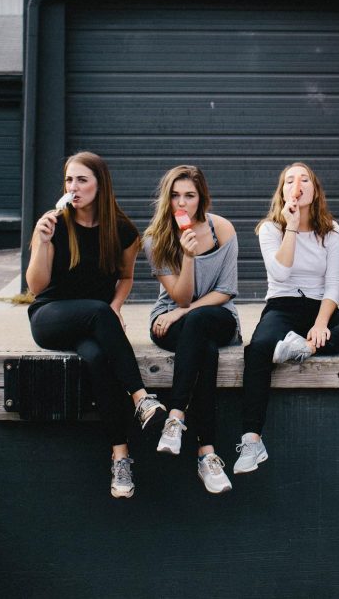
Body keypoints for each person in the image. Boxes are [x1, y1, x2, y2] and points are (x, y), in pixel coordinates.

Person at [233, 162, 339, 475]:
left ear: (314, 191)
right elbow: (280, 272)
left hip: (321, 310)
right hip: (282, 306)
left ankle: (305, 346)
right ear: (282, 192)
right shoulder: (270, 229)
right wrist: (291, 226)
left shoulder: (331, 231)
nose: (297, 185)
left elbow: (334, 284)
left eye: (305, 179)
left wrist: (319, 325)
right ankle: (252, 440)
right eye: (289, 180)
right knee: (260, 348)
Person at [26, 151, 166, 500]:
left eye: (82, 180)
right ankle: (141, 397)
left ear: (100, 185)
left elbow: (126, 276)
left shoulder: (122, 230)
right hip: (51, 316)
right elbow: (36, 287)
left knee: (97, 360)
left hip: (92, 326)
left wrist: (116, 305)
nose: (73, 187)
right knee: (98, 311)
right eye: (69, 180)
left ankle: (120, 456)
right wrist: (41, 243)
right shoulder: (54, 224)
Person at [143, 165, 241, 495]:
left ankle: (175, 417)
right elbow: (180, 295)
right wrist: (187, 256)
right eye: (175, 196)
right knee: (206, 352)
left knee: (198, 322)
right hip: (169, 319)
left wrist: (184, 312)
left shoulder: (223, 230)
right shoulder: (155, 238)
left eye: (190, 196)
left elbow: (225, 290)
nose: (182, 204)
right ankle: (207, 454)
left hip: (217, 315)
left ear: (202, 198)